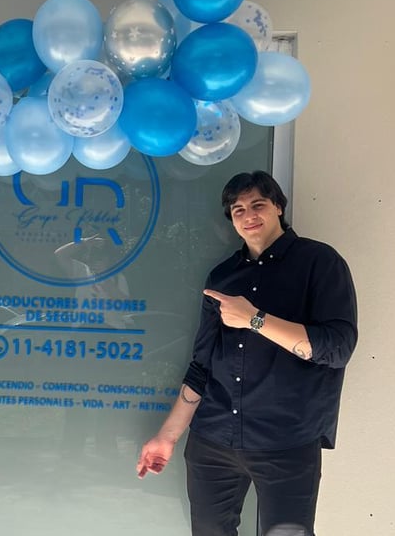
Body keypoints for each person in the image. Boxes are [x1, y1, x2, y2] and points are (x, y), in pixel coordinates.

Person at [136, 171, 357, 536]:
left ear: (278, 207)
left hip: (286, 442)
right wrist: (168, 436)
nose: (248, 215)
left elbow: (338, 348)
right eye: (238, 209)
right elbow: (201, 365)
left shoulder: (319, 262)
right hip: (213, 441)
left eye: (258, 204)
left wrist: (254, 319)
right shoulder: (222, 277)